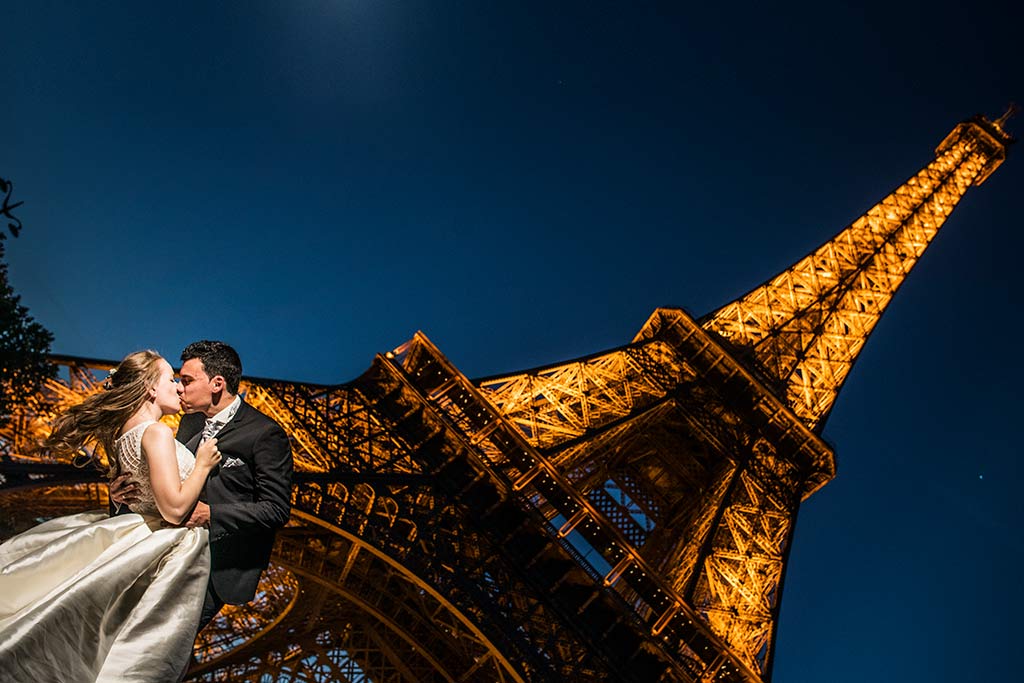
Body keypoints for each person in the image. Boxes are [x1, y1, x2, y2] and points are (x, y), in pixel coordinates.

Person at [0, 350, 222, 682]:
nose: (178, 388)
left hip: (135, 542)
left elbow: (138, 495)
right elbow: (174, 510)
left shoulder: (123, 436)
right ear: (149, 387)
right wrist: (202, 464)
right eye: (171, 379)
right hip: (161, 551)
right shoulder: (157, 432)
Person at [110, 340, 292, 631]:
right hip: (163, 552)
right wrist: (119, 496)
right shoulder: (188, 424)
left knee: (158, 647)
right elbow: (159, 481)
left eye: (187, 380)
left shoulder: (264, 434)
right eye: (177, 380)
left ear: (217, 383)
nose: (181, 388)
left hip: (216, 566)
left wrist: (211, 514)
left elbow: (276, 509)